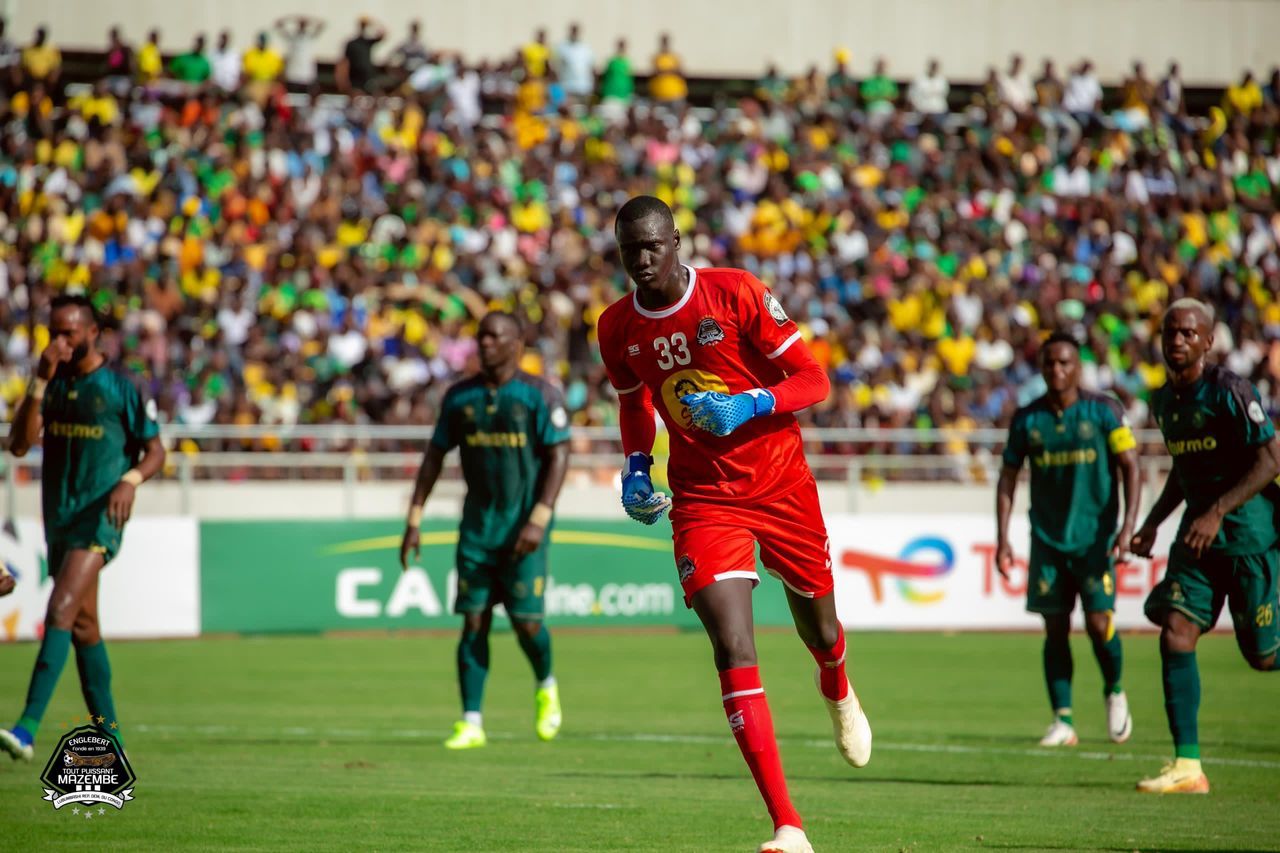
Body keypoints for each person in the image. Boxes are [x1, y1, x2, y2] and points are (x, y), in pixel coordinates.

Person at [597, 196, 871, 853]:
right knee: (731, 645)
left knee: (821, 628)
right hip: (702, 498)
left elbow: (814, 379)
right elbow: (635, 404)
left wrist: (752, 401)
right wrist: (637, 467)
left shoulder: (736, 293)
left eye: (653, 246)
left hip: (781, 485)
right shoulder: (614, 327)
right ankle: (788, 824)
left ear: (676, 241)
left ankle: (835, 680)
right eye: (630, 250)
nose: (642, 260)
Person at [0, 295, 165, 762]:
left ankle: (27, 727)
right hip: (60, 517)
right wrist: (38, 379)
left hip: (101, 516)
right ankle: (110, 736)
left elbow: (155, 451)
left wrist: (130, 481)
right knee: (85, 627)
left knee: (61, 608)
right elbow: (17, 446)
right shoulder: (50, 384)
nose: (60, 342)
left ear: (93, 332)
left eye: (69, 333)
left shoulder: (120, 387)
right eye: (53, 332)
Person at [399, 312, 570, 750]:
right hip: (477, 529)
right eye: (481, 337)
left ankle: (545, 684)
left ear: (517, 344)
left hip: (524, 530)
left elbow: (558, 455)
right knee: (473, 621)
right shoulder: (460, 397)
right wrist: (414, 518)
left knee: (526, 625)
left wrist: (540, 517)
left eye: (495, 337)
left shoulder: (538, 395)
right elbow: (434, 456)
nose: (485, 343)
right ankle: (471, 721)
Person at [1129, 299, 1280, 794]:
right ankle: (1188, 767)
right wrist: (1152, 522)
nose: (1178, 340)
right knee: (1175, 632)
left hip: (1247, 537)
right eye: (1170, 332)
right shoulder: (1165, 401)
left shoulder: (1231, 391)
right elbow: (1184, 468)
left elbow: (1270, 460)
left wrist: (1217, 511)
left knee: (1261, 657)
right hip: (1197, 541)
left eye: (1189, 334)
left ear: (1208, 341)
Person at [996, 332, 1140, 747]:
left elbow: (1131, 466)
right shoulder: (1027, 418)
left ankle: (1114, 689)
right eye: (1049, 364)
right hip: (1047, 540)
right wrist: (1003, 539)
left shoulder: (1104, 411)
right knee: (1054, 628)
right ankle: (1063, 720)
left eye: (1064, 363)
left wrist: (1127, 527)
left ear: (1078, 367)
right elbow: (1008, 478)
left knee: (1099, 623)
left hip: (1094, 540)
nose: (1056, 371)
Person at [273, 15, 324, 90]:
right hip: (293, 75)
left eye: (303, 25)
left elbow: (322, 24)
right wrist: (293, 19)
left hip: (307, 75)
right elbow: (278, 24)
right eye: (300, 24)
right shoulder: (292, 38)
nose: (302, 26)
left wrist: (309, 20)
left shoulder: (310, 38)